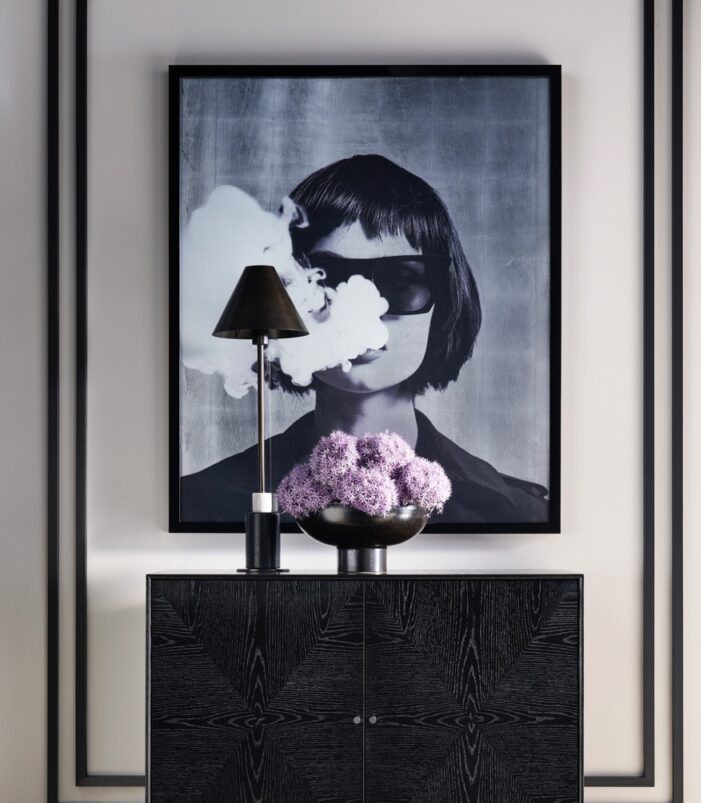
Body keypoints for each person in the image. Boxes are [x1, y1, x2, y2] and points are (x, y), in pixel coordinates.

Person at [181, 154, 548, 525]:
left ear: (444, 300)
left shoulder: (517, 512)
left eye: (400, 280)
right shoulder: (205, 503)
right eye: (328, 278)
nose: (365, 309)